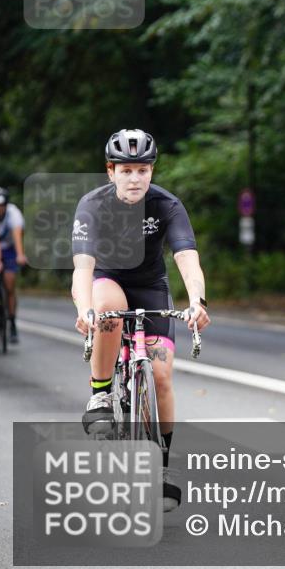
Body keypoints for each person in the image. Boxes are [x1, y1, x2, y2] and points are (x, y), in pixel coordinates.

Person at [71, 129, 211, 512]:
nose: (135, 179)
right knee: (109, 306)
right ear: (111, 171)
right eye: (126, 170)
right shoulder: (92, 205)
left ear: (152, 171)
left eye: (143, 170)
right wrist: (85, 308)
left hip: (150, 287)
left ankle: (161, 467)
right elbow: (82, 268)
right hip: (106, 281)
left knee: (162, 377)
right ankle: (101, 392)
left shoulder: (166, 205)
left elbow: (187, 258)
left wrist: (197, 301)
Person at [0, 187, 27, 343]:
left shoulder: (14, 214)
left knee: (9, 284)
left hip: (10, 249)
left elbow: (17, 235)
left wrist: (20, 255)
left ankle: (12, 321)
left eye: (2, 205)